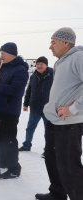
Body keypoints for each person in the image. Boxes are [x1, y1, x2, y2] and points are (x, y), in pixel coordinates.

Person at [35, 28, 83, 200]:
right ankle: (57, 193)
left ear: (65, 43)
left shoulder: (78, 57)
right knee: (53, 160)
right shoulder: (61, 61)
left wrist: (74, 108)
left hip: (69, 122)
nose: (50, 47)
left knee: (70, 167)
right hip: (55, 121)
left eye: (53, 42)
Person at [0, 42, 28, 179]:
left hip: (9, 111)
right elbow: (1, 86)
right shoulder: (4, 67)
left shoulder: (20, 70)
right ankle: (3, 161)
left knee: (9, 140)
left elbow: (16, 91)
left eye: (3, 53)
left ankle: (14, 168)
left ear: (11, 54)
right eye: (0, 53)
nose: (1, 56)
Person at [19, 56, 53, 155]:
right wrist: (25, 104)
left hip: (48, 109)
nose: (39, 66)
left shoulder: (53, 75)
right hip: (35, 108)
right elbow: (28, 91)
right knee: (30, 128)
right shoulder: (33, 76)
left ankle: (48, 149)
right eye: (38, 64)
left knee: (48, 131)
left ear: (46, 65)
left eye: (41, 64)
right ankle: (26, 145)